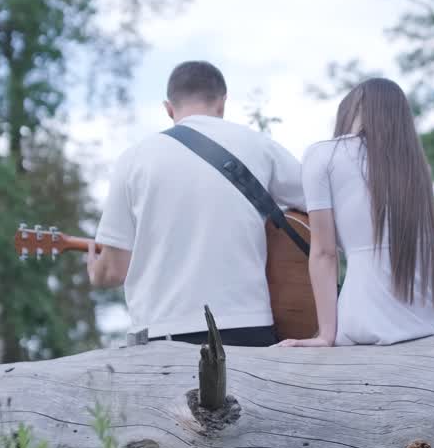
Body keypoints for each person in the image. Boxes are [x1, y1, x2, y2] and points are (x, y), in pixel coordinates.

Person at [87, 61, 304, 346]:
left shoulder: (133, 159)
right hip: (248, 325)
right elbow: (321, 203)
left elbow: (114, 270)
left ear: (168, 108)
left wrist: (96, 271)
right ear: (222, 102)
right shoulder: (259, 145)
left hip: (162, 332)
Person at [277, 77, 434, 347]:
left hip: (371, 315)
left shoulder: (323, 155)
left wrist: (325, 335)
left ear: (352, 110)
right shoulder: (414, 163)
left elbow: (325, 253)